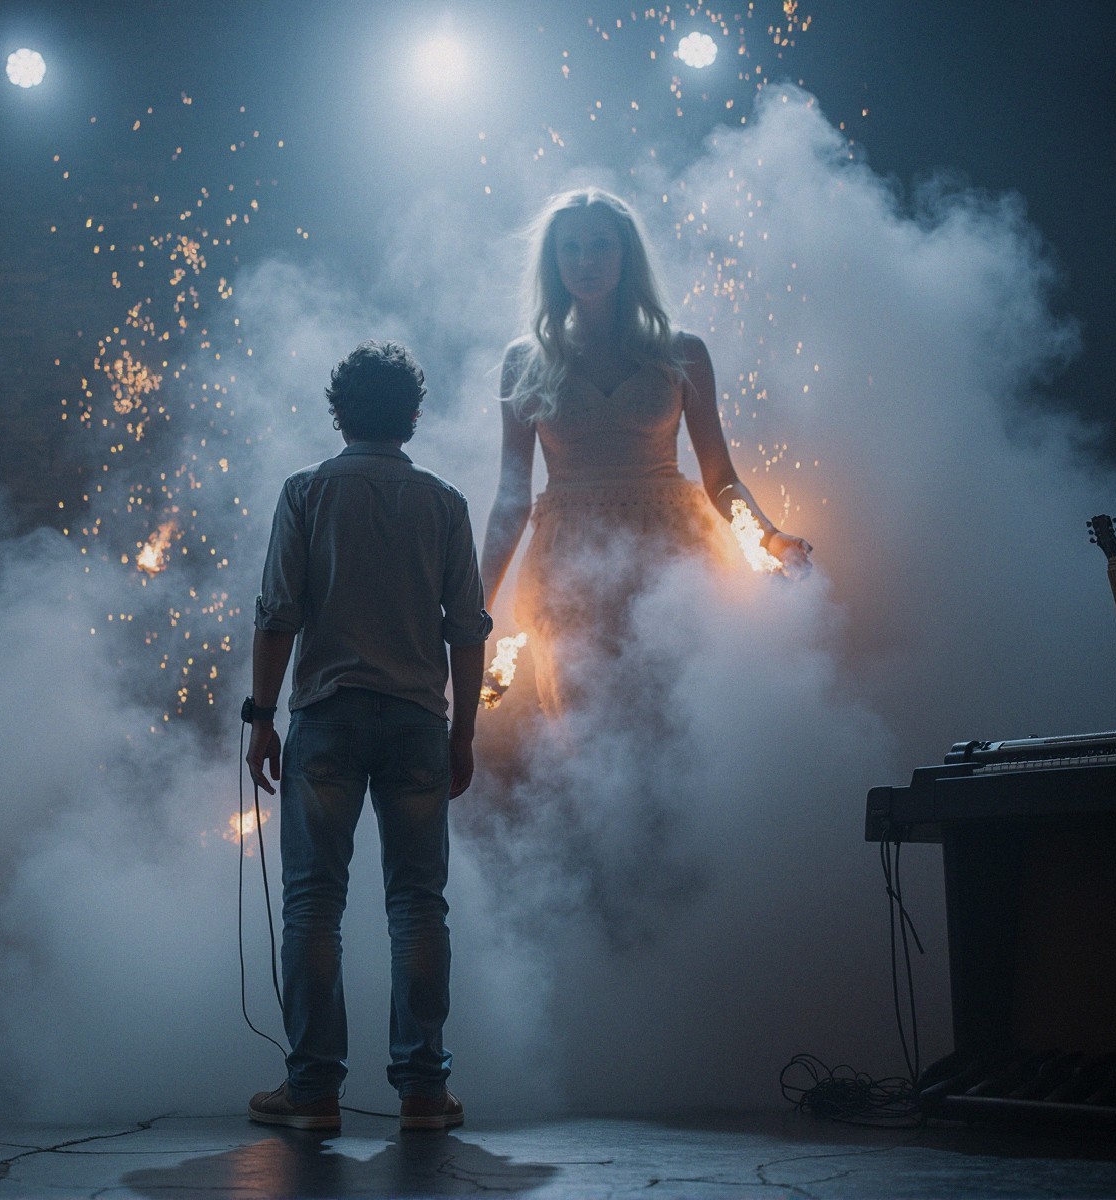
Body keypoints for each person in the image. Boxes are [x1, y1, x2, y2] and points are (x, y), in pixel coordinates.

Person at [244, 341, 491, 1133]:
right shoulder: (445, 504)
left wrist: (261, 717)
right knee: (418, 905)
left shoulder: (307, 492)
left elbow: (278, 614)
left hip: (328, 716)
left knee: (315, 904)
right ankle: (423, 1090)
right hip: (420, 719)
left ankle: (314, 1094)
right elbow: (468, 630)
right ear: (412, 416)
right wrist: (464, 737)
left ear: (338, 410)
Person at [480, 188, 811, 717]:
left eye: (600, 246)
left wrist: (770, 538)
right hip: (569, 563)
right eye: (570, 249)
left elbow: (720, 476)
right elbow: (511, 495)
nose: (585, 261)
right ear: (553, 261)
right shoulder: (525, 360)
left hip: (673, 556)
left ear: (625, 254)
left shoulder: (684, 352)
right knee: (585, 735)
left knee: (681, 729)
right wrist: (477, 605)